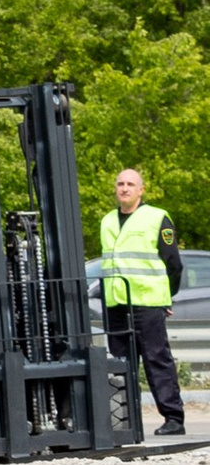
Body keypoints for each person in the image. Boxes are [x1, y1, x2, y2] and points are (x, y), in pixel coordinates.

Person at [97, 164, 187, 439]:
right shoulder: (107, 220)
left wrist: (166, 297)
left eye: (130, 185)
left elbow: (173, 263)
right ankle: (126, 419)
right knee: (122, 364)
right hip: (116, 304)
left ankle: (173, 418)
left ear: (141, 190)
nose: (124, 188)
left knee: (156, 360)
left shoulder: (157, 218)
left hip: (147, 303)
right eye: (120, 184)